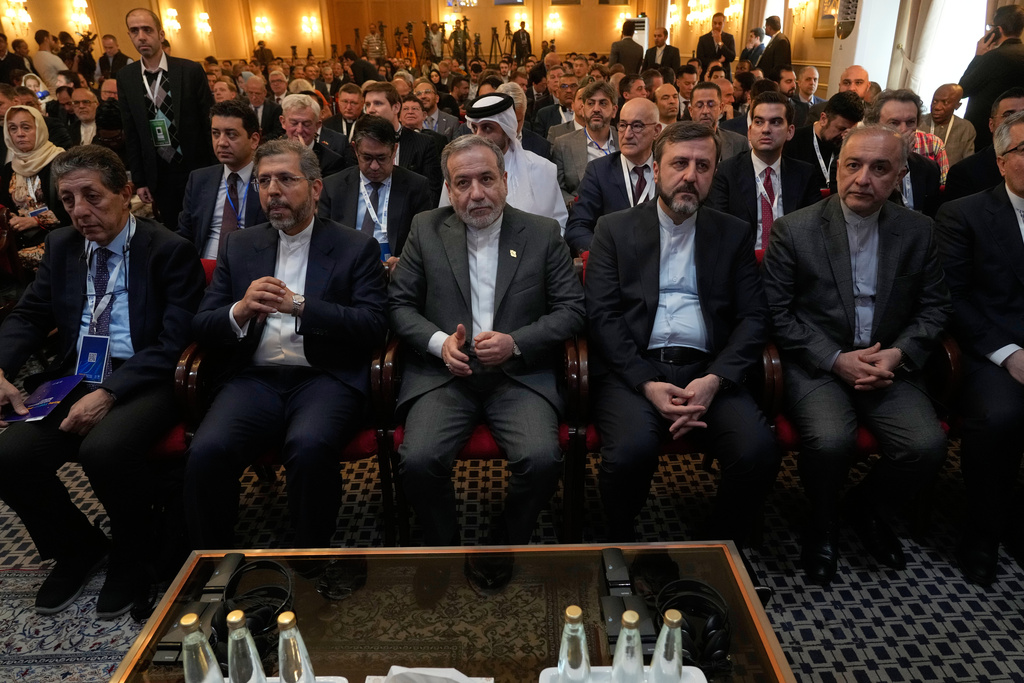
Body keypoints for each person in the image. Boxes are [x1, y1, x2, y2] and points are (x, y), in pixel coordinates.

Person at [0, 145, 205, 618]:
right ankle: (78, 547)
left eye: (92, 196)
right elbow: (31, 315)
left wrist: (110, 392)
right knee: (8, 455)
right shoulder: (62, 246)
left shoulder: (169, 250)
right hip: (78, 377)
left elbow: (176, 342)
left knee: (104, 448)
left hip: (146, 379)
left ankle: (134, 554)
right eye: (69, 200)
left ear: (125, 193)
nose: (81, 212)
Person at [762, 125, 951, 586]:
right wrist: (834, 359)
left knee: (925, 446)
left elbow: (935, 306)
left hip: (889, 365)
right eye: (853, 165)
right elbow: (778, 314)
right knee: (829, 441)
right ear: (837, 167)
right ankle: (822, 523)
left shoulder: (919, 230)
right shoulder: (796, 229)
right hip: (819, 365)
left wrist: (899, 354)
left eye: (879, 168)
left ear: (899, 176)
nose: (863, 178)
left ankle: (865, 509)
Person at [185, 139, 388, 550]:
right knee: (208, 450)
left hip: (325, 376)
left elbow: (373, 326)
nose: (272, 191)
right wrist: (239, 310)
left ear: (315, 188)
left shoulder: (354, 246)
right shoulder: (240, 245)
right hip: (254, 378)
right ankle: (212, 564)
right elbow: (203, 324)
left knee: (309, 446)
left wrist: (300, 306)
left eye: (285, 179)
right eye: (263, 181)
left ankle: (311, 555)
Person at [388, 134, 585, 554]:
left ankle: (506, 541)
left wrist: (516, 342)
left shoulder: (542, 232)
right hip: (444, 377)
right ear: (448, 187)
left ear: (505, 181)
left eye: (486, 179)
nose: (476, 193)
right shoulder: (425, 229)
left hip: (519, 377)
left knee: (542, 459)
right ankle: (447, 546)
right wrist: (440, 342)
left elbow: (572, 309)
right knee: (418, 460)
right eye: (462, 183)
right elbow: (399, 305)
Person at [586, 120, 779, 544]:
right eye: (679, 164)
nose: (690, 176)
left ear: (714, 173)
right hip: (635, 369)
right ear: (656, 170)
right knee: (631, 452)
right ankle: (619, 543)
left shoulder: (732, 233)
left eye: (703, 166)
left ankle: (718, 545)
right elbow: (602, 316)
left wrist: (715, 380)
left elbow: (754, 317)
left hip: (710, 369)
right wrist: (646, 383)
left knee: (758, 452)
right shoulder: (613, 230)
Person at [936, 110, 1024, 587]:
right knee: (1000, 416)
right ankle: (983, 532)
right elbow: (953, 299)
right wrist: (1010, 353)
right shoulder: (964, 214)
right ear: (1001, 160)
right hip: (988, 349)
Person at [117, 8, 214, 227]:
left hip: (194, 167)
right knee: (173, 230)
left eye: (147, 30)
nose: (141, 36)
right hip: (158, 172)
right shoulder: (126, 76)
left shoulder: (189, 70)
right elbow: (131, 131)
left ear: (160, 34)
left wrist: (216, 170)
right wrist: (139, 181)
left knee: (204, 226)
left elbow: (208, 123)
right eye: (134, 31)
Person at [708, 92, 819, 248]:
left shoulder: (805, 174)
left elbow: (811, 231)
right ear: (749, 131)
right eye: (759, 122)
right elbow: (719, 230)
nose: (766, 129)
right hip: (742, 261)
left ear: (790, 131)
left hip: (789, 262)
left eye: (775, 122)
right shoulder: (726, 172)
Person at [441, 93, 566, 230]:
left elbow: (558, 222)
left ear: (507, 129)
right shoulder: (460, 170)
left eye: (487, 128)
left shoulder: (542, 168)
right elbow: (447, 222)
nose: (479, 136)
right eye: (475, 128)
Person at [318, 115, 432, 263]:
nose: (374, 166)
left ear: (394, 149)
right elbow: (324, 240)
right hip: (346, 267)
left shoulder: (416, 186)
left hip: (398, 270)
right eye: (367, 157)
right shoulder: (333, 187)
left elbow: (423, 240)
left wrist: (403, 263)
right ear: (355, 150)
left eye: (382, 158)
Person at [564, 97, 662, 254]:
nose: (627, 134)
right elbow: (577, 227)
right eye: (623, 125)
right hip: (615, 268)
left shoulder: (667, 170)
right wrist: (608, 255)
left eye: (637, 126)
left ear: (656, 131)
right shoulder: (599, 171)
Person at [177, 99, 266, 259]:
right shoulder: (199, 179)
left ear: (254, 140)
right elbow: (185, 234)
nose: (222, 143)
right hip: (203, 266)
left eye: (231, 135)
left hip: (251, 266)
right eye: (216, 134)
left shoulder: (269, 181)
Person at [0, 105, 69, 272]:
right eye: (13, 129)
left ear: (39, 129)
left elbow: (72, 207)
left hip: (58, 234)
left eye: (26, 127)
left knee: (19, 260)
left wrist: (34, 220)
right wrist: (12, 220)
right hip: (21, 237)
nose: (19, 134)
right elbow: (5, 206)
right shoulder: (10, 168)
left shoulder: (61, 162)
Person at [355, 82, 443, 201]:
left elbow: (431, 194)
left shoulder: (424, 144)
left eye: (378, 103)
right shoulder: (358, 141)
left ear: (396, 107)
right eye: (368, 105)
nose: (371, 110)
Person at [864, 89, 942, 217]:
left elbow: (931, 218)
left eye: (910, 122)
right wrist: (894, 155)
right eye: (894, 123)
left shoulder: (929, 168)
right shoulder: (859, 166)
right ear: (875, 125)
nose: (903, 130)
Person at [960, 4, 1024, 151]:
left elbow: (963, 88)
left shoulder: (992, 57)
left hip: (985, 134)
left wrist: (978, 56)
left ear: (998, 29)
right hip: (1018, 131)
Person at [944, 87, 1024, 202]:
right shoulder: (964, 173)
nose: (1018, 121)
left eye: (1022, 115)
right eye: (1008, 115)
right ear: (991, 124)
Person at [784, 91, 865, 192]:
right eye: (841, 129)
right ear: (823, 119)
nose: (844, 135)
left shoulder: (847, 147)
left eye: (850, 131)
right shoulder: (793, 141)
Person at [553, 81, 618, 205]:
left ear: (614, 110)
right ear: (582, 109)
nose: (596, 109)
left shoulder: (623, 140)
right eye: (590, 103)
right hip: (581, 213)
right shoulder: (563, 144)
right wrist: (575, 205)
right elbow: (557, 187)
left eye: (603, 103)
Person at [280, 93, 345, 177]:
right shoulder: (270, 154)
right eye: (294, 123)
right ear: (283, 122)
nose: (299, 130)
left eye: (306, 124)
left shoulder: (332, 161)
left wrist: (304, 157)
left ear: (317, 126)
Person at [689, 80, 749, 161]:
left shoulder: (739, 143)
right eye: (700, 105)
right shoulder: (677, 144)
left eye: (711, 105)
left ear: (721, 108)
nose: (705, 111)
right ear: (691, 111)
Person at [921, 84, 975, 166]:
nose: (937, 107)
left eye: (945, 102)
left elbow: (968, 163)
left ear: (957, 105)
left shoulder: (966, 128)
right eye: (934, 101)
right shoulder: (918, 122)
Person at [533, 71, 578, 139]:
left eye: (573, 86)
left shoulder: (586, 114)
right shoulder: (544, 114)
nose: (569, 90)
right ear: (557, 92)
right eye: (564, 86)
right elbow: (539, 143)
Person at [697, 13, 736, 80]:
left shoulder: (729, 38)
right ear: (712, 23)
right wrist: (718, 61)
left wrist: (720, 43)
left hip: (724, 75)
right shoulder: (703, 39)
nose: (717, 26)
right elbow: (700, 59)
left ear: (724, 23)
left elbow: (732, 57)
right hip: (708, 75)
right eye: (715, 23)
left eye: (719, 23)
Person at [243, 74, 283, 141]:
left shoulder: (275, 109)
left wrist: (259, 140)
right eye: (250, 93)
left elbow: (278, 132)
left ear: (264, 92)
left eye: (257, 93)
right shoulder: (242, 106)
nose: (254, 97)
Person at [758, 16, 790, 81]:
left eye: (765, 27)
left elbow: (779, 65)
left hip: (772, 80)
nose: (765, 29)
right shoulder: (775, 39)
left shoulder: (781, 40)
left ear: (769, 27)